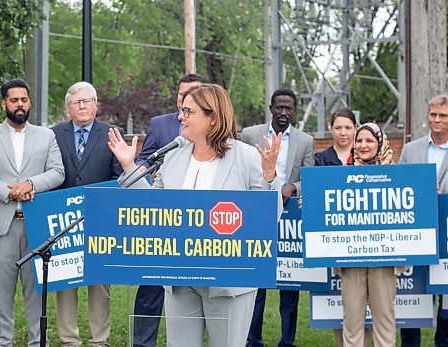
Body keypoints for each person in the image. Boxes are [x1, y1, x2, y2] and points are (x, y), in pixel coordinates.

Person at [108, 83, 282, 347]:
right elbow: (153, 208)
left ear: (212, 117)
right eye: (182, 110)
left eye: (188, 111)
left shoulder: (247, 157)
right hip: (179, 277)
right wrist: (128, 165)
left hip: (229, 281)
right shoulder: (175, 156)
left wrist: (270, 177)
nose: (180, 117)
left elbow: (268, 217)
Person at [0, 79, 65, 346]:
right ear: (4, 103)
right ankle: (2, 343)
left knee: (37, 293)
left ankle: (39, 343)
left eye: (24, 100)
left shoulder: (46, 135)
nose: (20, 105)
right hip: (0, 226)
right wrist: (8, 191)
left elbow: (58, 172)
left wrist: (30, 185)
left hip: (37, 225)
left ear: (29, 103)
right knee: (1, 295)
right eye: (14, 100)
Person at [132, 73, 207, 347]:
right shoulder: (160, 124)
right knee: (152, 287)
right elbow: (145, 157)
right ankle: (143, 342)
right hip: (162, 217)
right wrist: (139, 168)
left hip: (200, 222)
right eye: (180, 94)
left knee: (194, 289)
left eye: (191, 95)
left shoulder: (216, 127)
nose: (183, 101)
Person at [52, 81, 123, 347]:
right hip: (63, 222)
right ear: (68, 107)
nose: (81, 106)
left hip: (99, 221)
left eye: (86, 101)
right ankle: (69, 339)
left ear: (95, 104)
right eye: (76, 102)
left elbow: (119, 177)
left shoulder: (111, 133)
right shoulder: (54, 134)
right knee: (65, 283)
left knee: (99, 285)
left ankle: (99, 340)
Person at [241, 88, 314, 347]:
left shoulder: (305, 141)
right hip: (258, 214)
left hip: (289, 217)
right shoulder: (250, 135)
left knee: (289, 283)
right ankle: (253, 339)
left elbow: (308, 176)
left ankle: (287, 340)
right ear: (271, 108)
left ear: (294, 110)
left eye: (289, 108)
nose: (284, 112)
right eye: (279, 107)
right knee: (257, 281)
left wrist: (291, 187)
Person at [340, 122, 406, 347]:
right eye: (359, 140)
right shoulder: (341, 177)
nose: (363, 145)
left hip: (384, 259)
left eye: (369, 140)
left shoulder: (397, 176)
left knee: (385, 319)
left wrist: (428, 191)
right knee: (351, 321)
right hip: (351, 258)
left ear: (380, 143)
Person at [314, 109, 373, 347]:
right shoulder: (321, 159)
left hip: (363, 240)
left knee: (366, 300)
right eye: (338, 127)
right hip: (333, 240)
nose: (343, 132)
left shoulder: (367, 155)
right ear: (331, 129)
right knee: (336, 299)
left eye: (348, 127)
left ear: (355, 128)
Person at [399, 94, 447, 347]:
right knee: (413, 297)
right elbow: (398, 188)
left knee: (446, 300)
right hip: (415, 236)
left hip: (446, 237)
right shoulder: (411, 149)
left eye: (443, 116)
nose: (437, 120)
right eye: (433, 115)